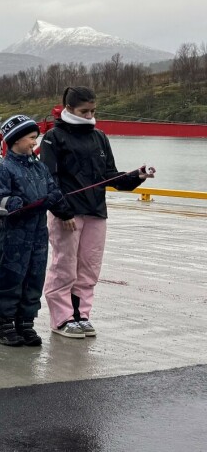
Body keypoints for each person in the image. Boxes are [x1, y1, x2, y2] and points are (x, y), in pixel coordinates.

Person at [40, 87, 153, 338]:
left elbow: (109, 176)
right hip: (67, 214)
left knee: (89, 268)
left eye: (93, 110)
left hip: (95, 212)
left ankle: (81, 316)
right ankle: (61, 319)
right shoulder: (53, 138)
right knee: (64, 266)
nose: (89, 115)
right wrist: (62, 211)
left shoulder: (100, 137)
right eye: (84, 111)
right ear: (68, 109)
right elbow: (48, 179)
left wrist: (136, 176)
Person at [0, 115, 66, 347]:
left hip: (38, 236)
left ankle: (25, 322)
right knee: (11, 279)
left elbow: (52, 188)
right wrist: (12, 204)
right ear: (16, 140)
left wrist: (56, 199)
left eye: (35, 138)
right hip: (14, 236)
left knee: (34, 278)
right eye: (31, 138)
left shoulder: (39, 167)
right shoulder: (2, 169)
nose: (34, 142)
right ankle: (2, 324)